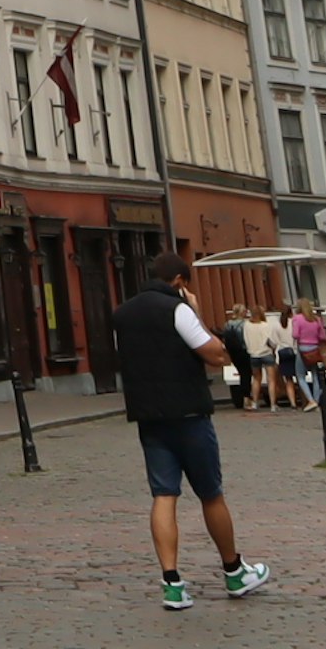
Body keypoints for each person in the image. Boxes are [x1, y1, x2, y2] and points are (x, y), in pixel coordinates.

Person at [108, 248, 276, 612]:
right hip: (188, 413)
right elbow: (215, 353)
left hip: (149, 416)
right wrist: (195, 311)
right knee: (210, 493)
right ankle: (234, 571)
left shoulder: (122, 313)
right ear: (180, 281)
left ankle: (172, 585)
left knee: (164, 495)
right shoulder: (178, 308)